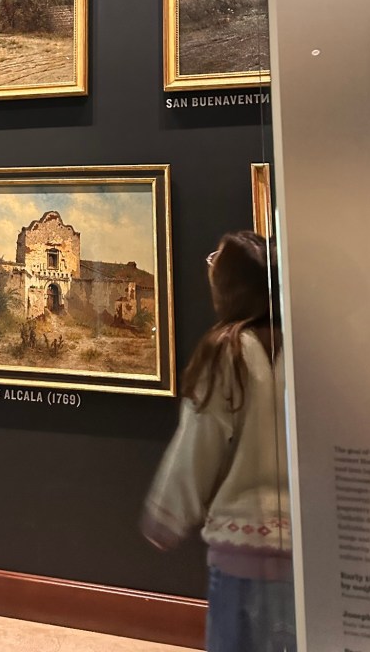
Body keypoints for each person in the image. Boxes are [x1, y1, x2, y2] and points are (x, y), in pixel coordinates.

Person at [141, 231, 295, 652]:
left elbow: (199, 444)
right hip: (307, 547)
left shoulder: (228, 351)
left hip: (241, 550)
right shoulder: (303, 346)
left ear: (229, 285)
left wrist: (166, 515)